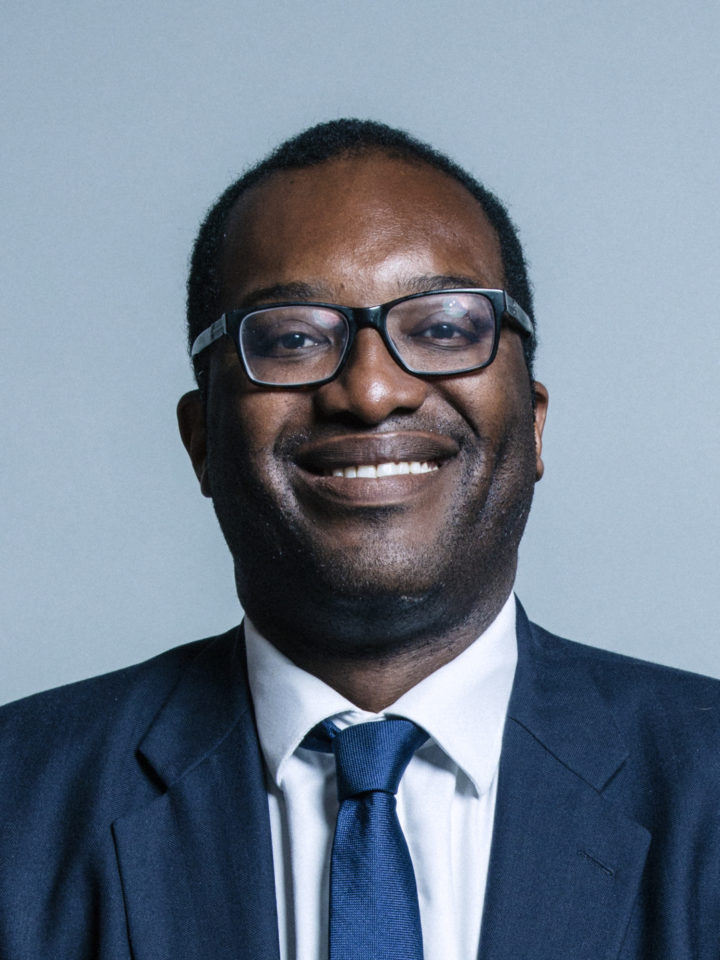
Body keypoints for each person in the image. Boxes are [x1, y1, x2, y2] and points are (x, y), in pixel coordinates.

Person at [0, 119, 718, 960]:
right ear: (201, 440)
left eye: (445, 328)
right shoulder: (17, 803)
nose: (372, 390)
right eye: (293, 337)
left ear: (534, 421)